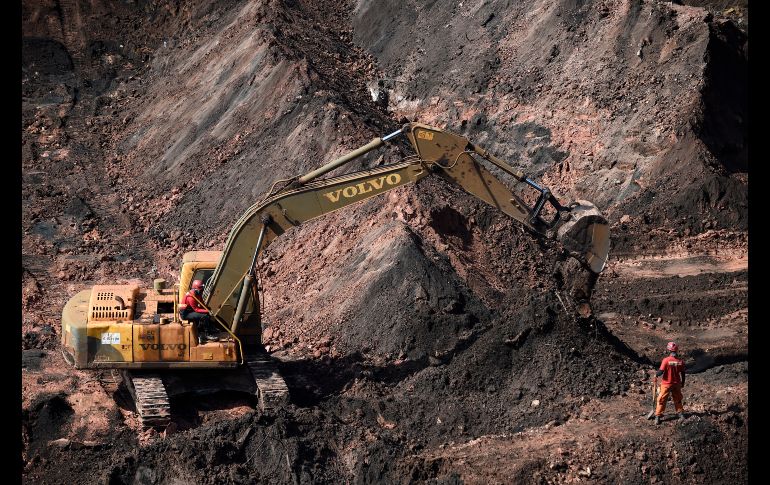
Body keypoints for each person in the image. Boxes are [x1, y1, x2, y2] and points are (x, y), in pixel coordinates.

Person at [654, 341, 685, 425]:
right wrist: (683, 383)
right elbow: (683, 373)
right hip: (677, 384)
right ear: (676, 350)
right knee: (678, 399)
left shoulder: (666, 360)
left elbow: (661, 372)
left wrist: (655, 374)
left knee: (661, 400)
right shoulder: (680, 361)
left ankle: (657, 416)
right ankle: (681, 414)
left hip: (666, 384)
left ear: (669, 350)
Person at [180, 279, 218, 344]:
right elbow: (196, 309)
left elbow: (202, 303)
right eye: (201, 290)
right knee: (204, 315)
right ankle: (207, 334)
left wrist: (207, 309)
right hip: (186, 313)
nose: (202, 291)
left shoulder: (198, 294)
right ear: (196, 289)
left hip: (191, 310)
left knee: (206, 312)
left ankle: (210, 328)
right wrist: (207, 311)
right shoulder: (191, 297)